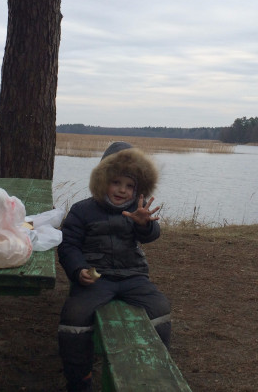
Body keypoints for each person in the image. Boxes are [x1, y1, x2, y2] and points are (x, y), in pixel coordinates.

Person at [57, 141, 171, 392]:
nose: (122, 190)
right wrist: (78, 270)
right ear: (102, 180)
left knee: (161, 308)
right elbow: (68, 246)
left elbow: (151, 235)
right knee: (74, 317)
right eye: (116, 182)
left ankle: (154, 366)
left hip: (133, 276)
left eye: (129, 186)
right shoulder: (82, 210)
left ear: (138, 189)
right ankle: (79, 378)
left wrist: (144, 224)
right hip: (97, 277)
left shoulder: (137, 211)